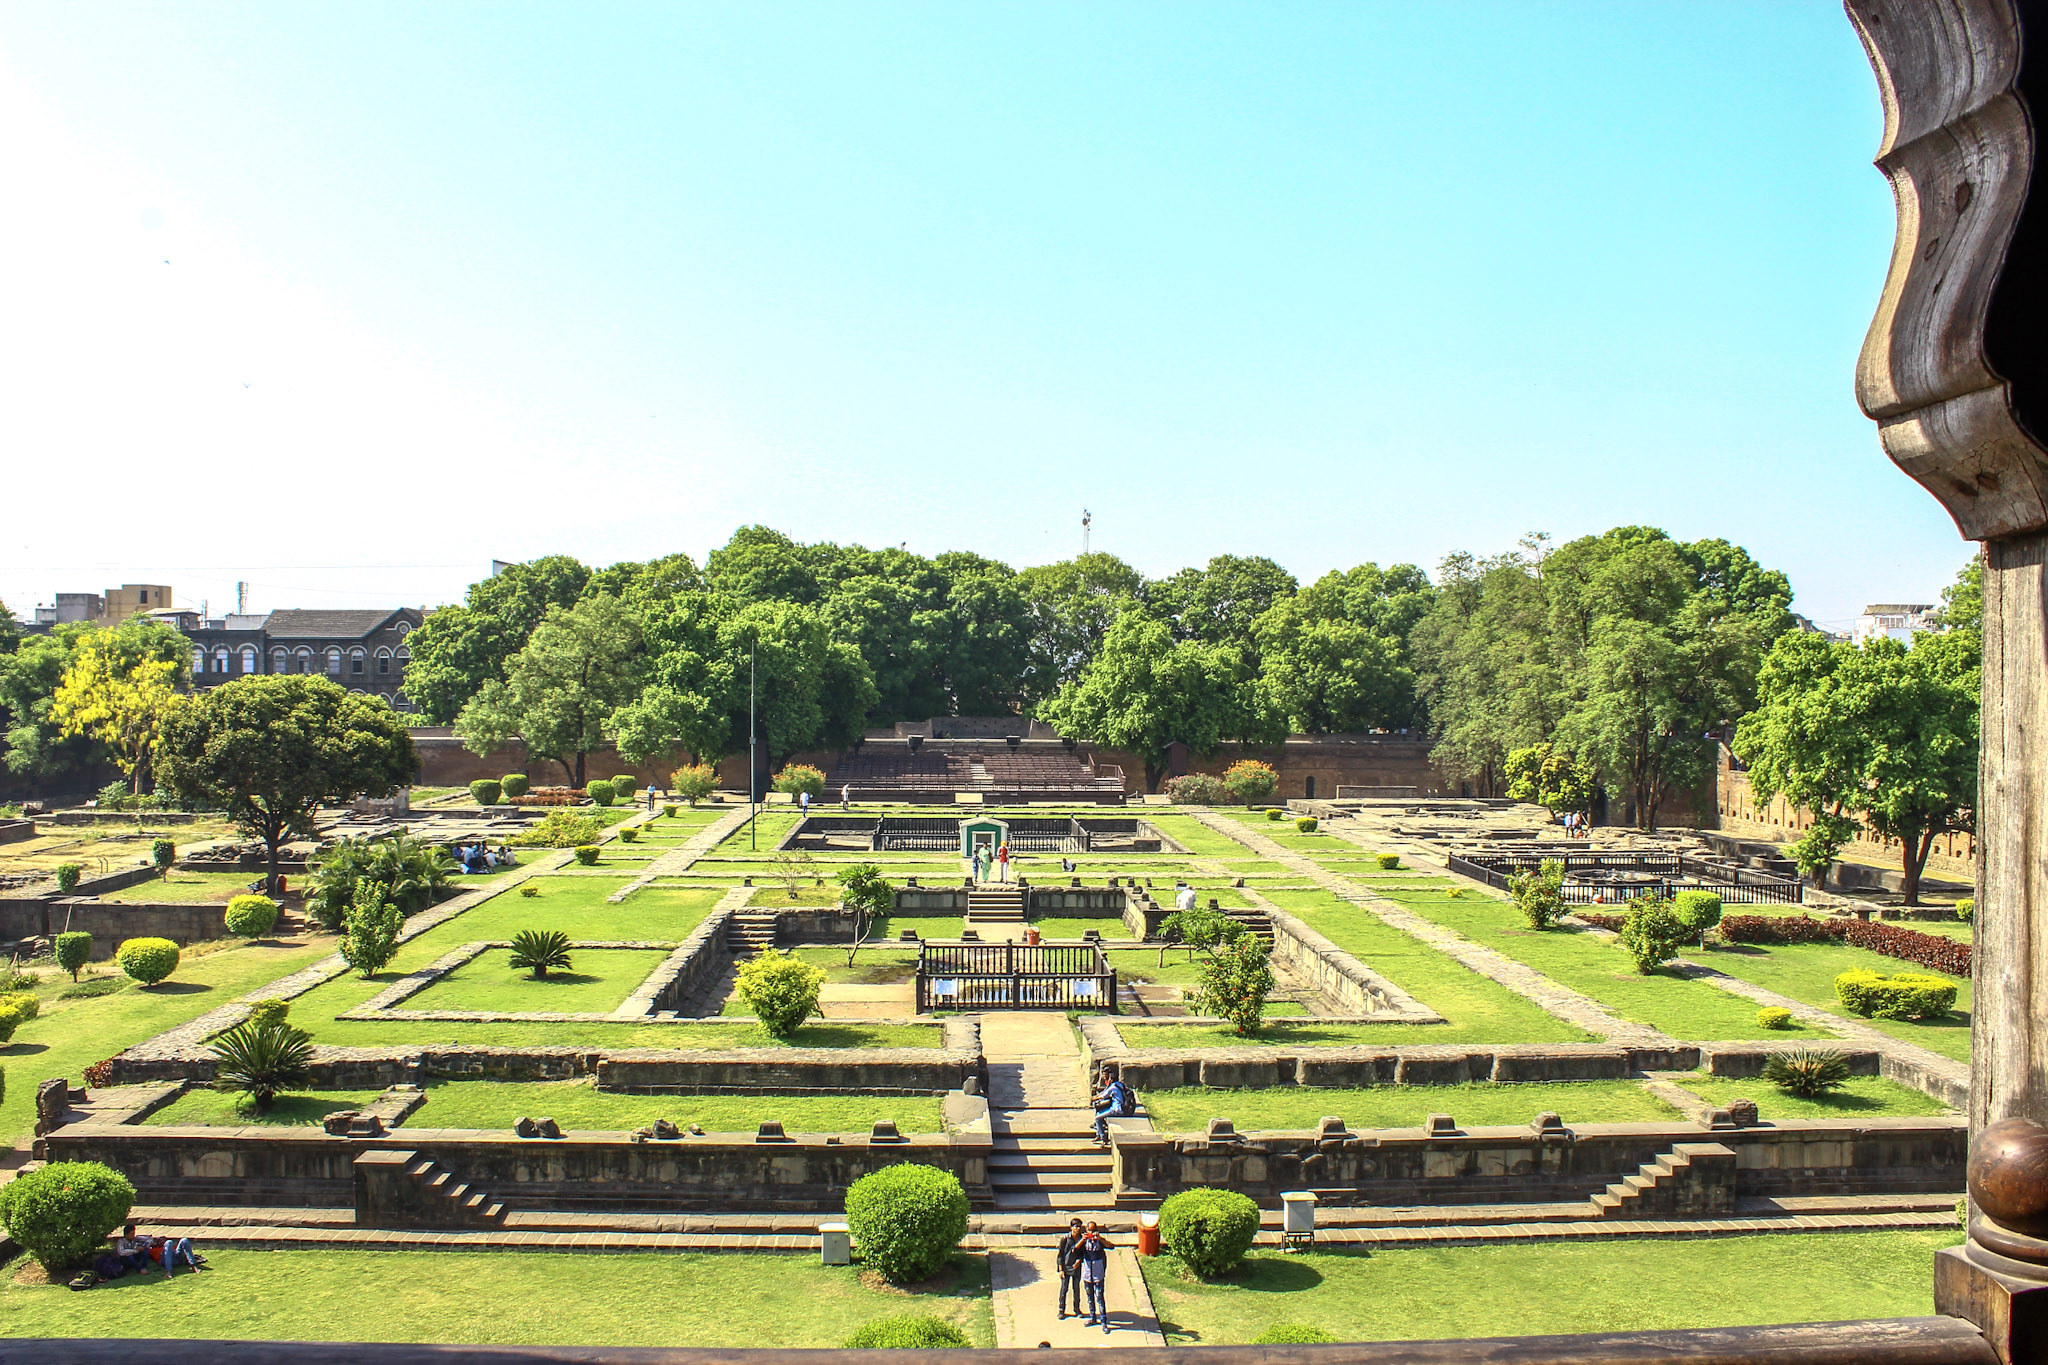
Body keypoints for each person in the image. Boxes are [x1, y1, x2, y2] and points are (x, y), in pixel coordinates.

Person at [1076, 1222, 1113, 1331]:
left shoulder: (1099, 1241)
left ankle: (1103, 1321)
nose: (1091, 1233)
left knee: (1100, 1298)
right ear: (1086, 1230)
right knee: (1090, 1298)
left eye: (1093, 1230)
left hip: (1098, 1274)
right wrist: (1083, 1239)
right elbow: (1075, 1249)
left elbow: (1111, 1246)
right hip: (1087, 1274)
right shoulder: (1084, 1241)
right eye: (1089, 1230)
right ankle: (1092, 1317)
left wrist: (1100, 1239)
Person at [1053, 1217, 1087, 1320]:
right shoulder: (1065, 1238)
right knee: (1064, 1288)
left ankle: (1077, 1308)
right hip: (1066, 1266)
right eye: (1075, 1226)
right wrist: (1061, 1269)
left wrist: (1079, 1261)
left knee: (1076, 1288)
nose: (1077, 1229)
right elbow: (1060, 1255)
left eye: (1079, 1227)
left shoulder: (1082, 1239)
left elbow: (1083, 1253)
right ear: (1071, 1227)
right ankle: (1061, 1309)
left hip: (1076, 1267)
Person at [1091, 1067, 1128, 1145]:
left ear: (1111, 1079)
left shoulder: (1113, 1087)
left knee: (1097, 1118)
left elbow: (1103, 1096)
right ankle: (1099, 1133)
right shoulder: (1119, 1084)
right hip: (1121, 1107)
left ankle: (1104, 1138)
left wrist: (1093, 1098)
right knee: (1099, 1113)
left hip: (1116, 1110)